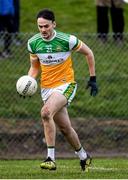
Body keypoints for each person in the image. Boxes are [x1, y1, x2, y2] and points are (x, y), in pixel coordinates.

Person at [26, 9, 98, 171]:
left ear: (54, 24)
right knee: (65, 129)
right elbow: (34, 68)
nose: (43, 30)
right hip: (46, 88)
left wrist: (92, 78)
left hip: (66, 84)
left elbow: (89, 53)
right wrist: (28, 82)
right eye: (40, 27)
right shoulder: (33, 43)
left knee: (45, 113)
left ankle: (50, 158)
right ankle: (84, 156)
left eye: (46, 26)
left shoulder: (67, 40)